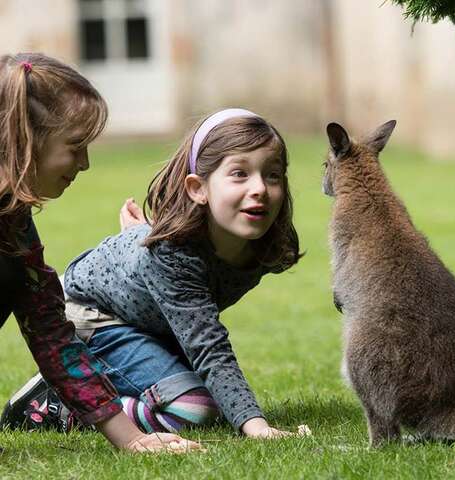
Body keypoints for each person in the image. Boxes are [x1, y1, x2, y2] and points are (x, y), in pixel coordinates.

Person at [5, 108, 304, 438]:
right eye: (239, 174)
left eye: (272, 175)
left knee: (216, 399)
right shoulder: (172, 255)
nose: (260, 188)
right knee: (194, 408)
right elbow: (209, 347)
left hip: (147, 324)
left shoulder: (270, 244)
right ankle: (60, 404)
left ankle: (97, 383)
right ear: (198, 188)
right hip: (91, 316)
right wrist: (257, 427)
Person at [0, 52, 200, 453]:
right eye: (75, 147)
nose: (86, 163)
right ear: (26, 140)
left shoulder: (14, 224)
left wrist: (132, 440)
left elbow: (51, 333)